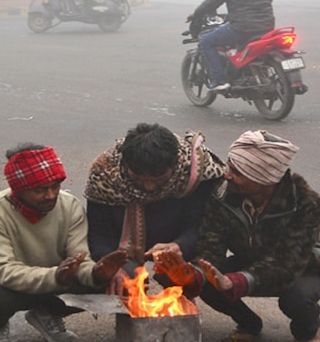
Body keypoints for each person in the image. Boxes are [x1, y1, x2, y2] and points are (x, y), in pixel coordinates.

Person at [151, 130, 320, 342]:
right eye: (230, 166)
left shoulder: (305, 202)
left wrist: (236, 281)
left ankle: (308, 333)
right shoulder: (221, 195)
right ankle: (249, 324)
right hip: (251, 259)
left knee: (295, 299)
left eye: (237, 172)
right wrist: (193, 274)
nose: (227, 175)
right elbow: (211, 246)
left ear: (263, 180)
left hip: (304, 267)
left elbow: (285, 265)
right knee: (209, 282)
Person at [0, 143, 128, 342]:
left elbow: (80, 257)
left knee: (110, 286)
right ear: (18, 189)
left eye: (55, 186)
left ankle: (46, 314)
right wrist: (55, 276)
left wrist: (97, 273)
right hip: (4, 280)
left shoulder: (69, 206)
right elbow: (4, 271)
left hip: (58, 273)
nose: (50, 195)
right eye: (40, 190)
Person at [84, 123, 225, 295]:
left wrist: (180, 245)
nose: (149, 187)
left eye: (158, 178)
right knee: (127, 279)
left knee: (188, 274)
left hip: (176, 239)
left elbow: (200, 225)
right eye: (138, 178)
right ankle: (132, 316)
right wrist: (112, 267)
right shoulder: (104, 175)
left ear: (174, 164)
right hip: (121, 246)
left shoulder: (194, 174)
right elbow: (99, 235)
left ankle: (240, 316)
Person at [188, 0, 275, 91]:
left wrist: (196, 14)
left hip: (241, 28)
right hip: (267, 27)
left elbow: (212, 2)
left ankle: (219, 80)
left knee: (206, 41)